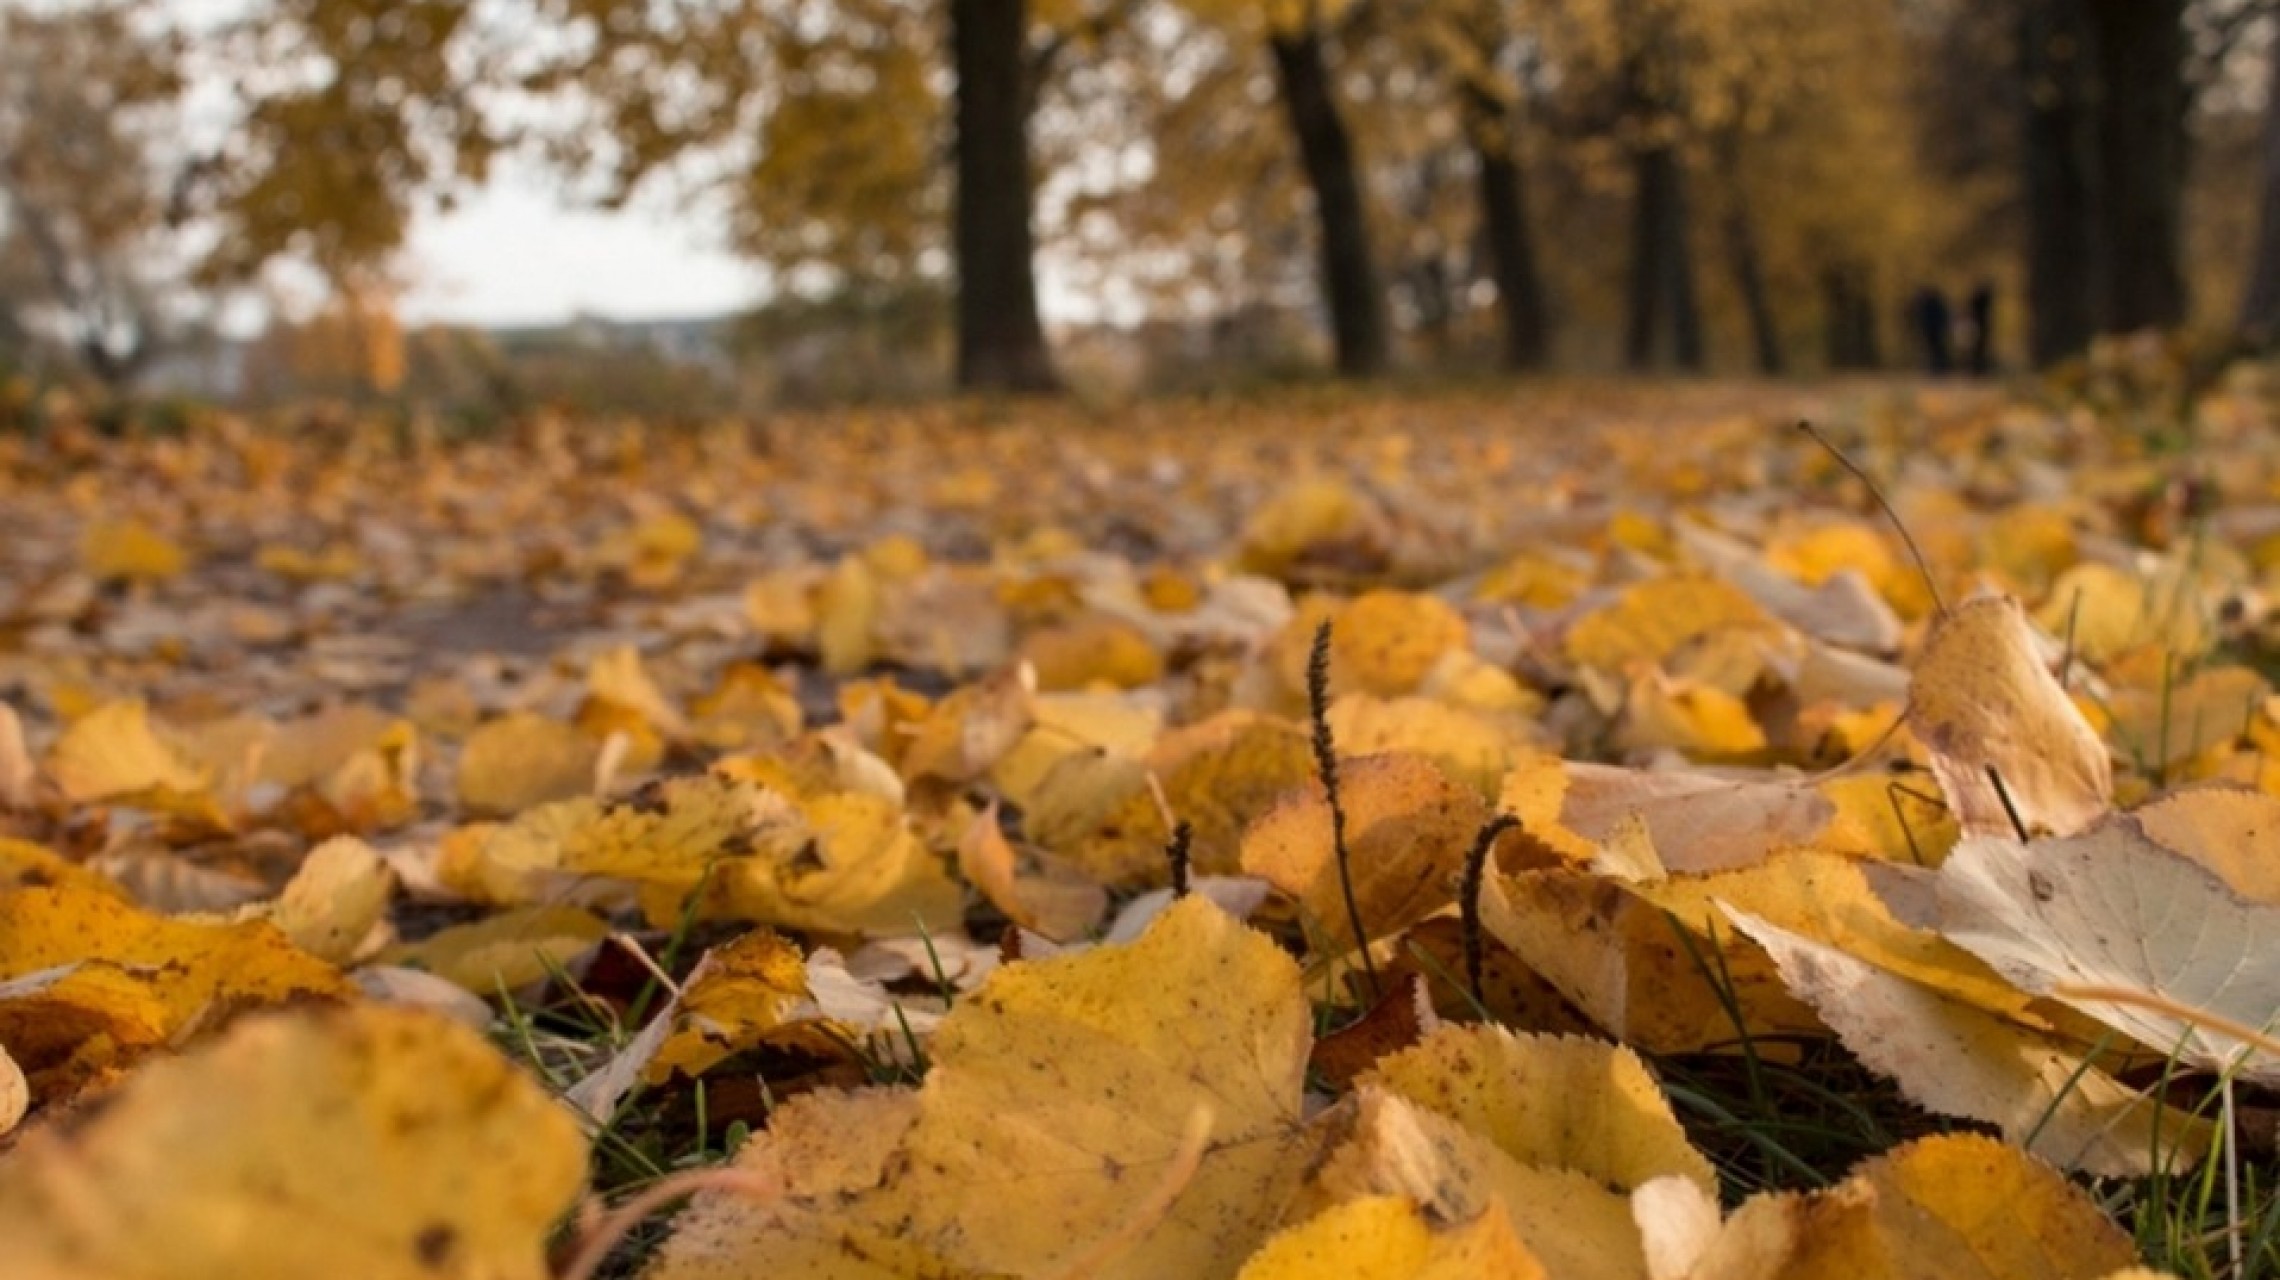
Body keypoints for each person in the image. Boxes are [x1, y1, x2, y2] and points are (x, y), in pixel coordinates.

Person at [1909, 286, 1954, 375]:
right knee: (1936, 349)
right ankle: (1939, 367)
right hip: (1934, 329)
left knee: (1936, 349)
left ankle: (1939, 367)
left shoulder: (1929, 305)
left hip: (1933, 329)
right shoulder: (1934, 304)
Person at [1964, 281, 1995, 376]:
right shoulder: (1982, 303)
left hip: (1977, 325)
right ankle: (1977, 367)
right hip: (1979, 325)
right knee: (1977, 347)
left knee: (1976, 347)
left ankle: (1976, 367)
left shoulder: (1977, 301)